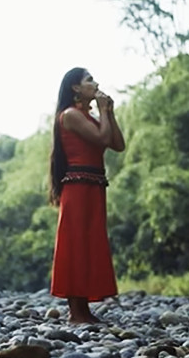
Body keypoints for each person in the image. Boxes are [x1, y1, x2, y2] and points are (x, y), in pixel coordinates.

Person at [48, 67, 125, 324]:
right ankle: (76, 312)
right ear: (76, 88)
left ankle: (84, 310)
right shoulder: (70, 115)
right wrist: (102, 111)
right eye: (89, 80)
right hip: (78, 188)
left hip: (93, 187)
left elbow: (117, 144)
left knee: (91, 243)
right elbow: (102, 139)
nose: (96, 83)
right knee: (76, 244)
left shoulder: (88, 117)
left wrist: (109, 113)